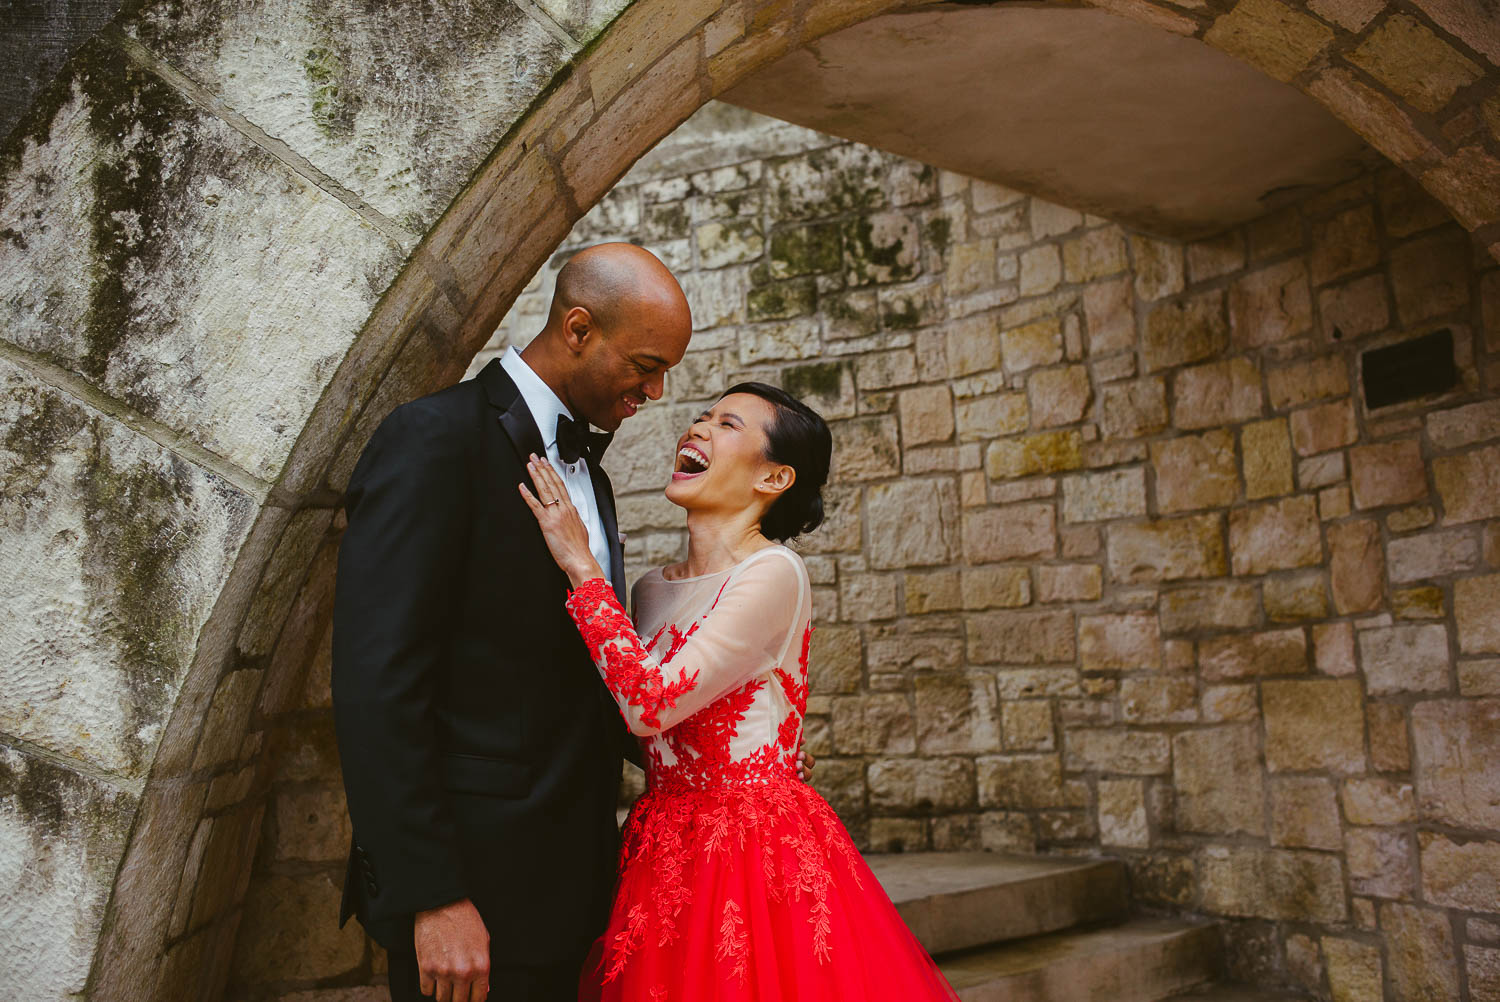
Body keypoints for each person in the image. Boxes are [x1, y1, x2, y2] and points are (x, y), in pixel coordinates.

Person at [331, 243, 694, 1002]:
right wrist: (432, 895)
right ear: (578, 328)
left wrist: (719, 757)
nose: (656, 391)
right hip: (474, 898)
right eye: (645, 364)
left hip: (578, 891)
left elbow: (581, 678)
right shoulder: (432, 440)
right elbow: (377, 685)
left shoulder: (590, 472)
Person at [521, 383, 960, 1001]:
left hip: (753, 853)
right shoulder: (648, 589)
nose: (697, 429)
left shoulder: (773, 572)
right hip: (659, 846)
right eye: (701, 417)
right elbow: (634, 717)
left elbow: (650, 703)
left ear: (774, 479)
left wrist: (584, 571)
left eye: (727, 424)